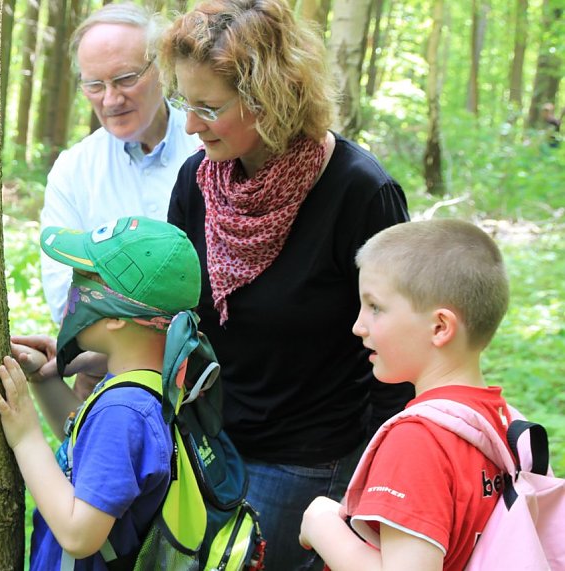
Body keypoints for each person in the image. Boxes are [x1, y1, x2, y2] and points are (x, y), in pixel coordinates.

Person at [157, 0, 414, 568]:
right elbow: (177, 312)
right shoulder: (198, 181)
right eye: (183, 100)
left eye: (208, 106)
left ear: (269, 98)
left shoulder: (358, 191)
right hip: (205, 440)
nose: (190, 125)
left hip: (305, 459)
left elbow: (404, 345)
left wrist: (377, 484)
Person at [299, 218, 513, 571]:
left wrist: (321, 523)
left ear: (440, 327)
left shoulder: (418, 441)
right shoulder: (498, 419)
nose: (358, 326)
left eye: (375, 307)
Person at [0, 216, 205, 570]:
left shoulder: (123, 412)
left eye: (83, 280)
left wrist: (26, 437)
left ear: (117, 316)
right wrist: (45, 380)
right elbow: (90, 453)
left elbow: (79, 535)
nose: (72, 290)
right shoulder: (144, 386)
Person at [40, 2, 200, 325]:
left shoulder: (207, 149)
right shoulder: (74, 171)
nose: (111, 100)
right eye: (95, 85)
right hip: (108, 369)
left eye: (125, 79)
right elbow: (66, 302)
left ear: (161, 67)